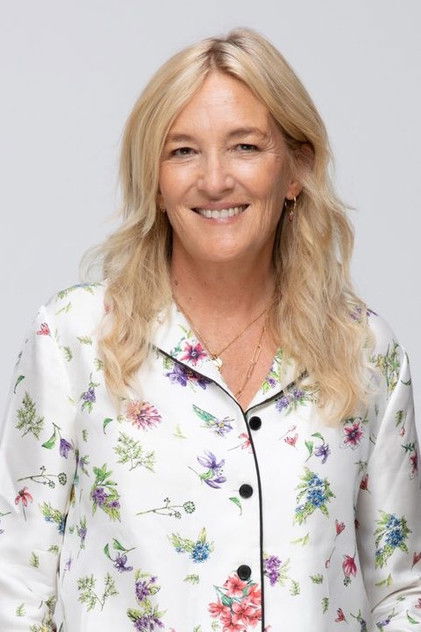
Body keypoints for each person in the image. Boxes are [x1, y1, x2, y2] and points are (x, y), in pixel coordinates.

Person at [0, 27, 420, 632]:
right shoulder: (75, 338)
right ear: (154, 180)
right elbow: (17, 585)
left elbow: (400, 595)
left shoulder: (365, 352)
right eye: (183, 151)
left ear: (296, 169)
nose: (215, 179)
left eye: (245, 146)